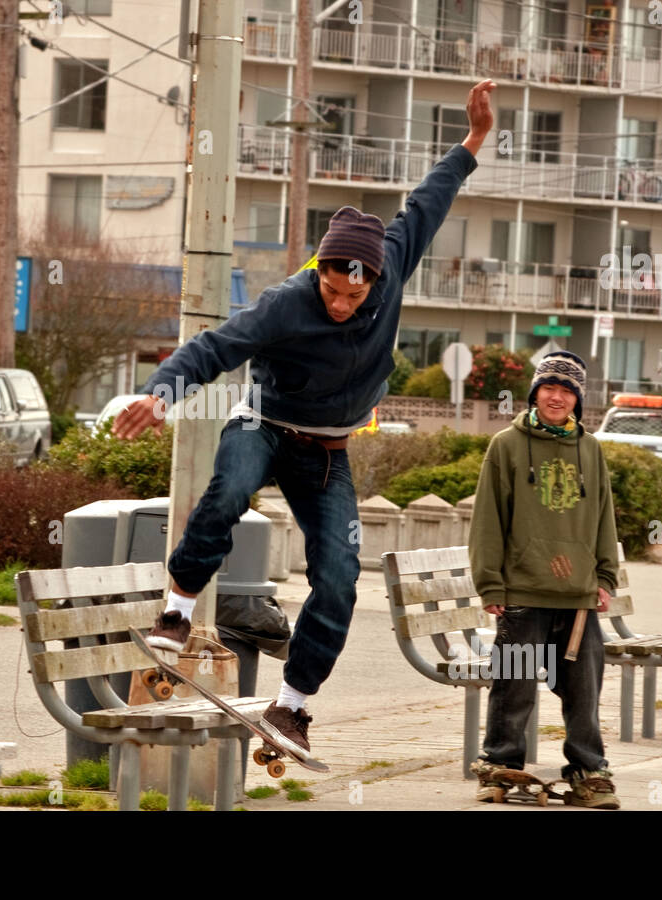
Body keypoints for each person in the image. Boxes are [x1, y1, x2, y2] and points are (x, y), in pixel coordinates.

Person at [112, 80, 497, 756]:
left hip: (326, 454)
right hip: (263, 425)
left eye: (353, 294)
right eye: (330, 288)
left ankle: (291, 709)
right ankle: (175, 610)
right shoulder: (285, 303)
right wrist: (162, 393)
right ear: (317, 271)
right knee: (230, 492)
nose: (340, 303)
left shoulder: (394, 260)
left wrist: (472, 141)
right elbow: (213, 348)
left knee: (342, 576)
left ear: (376, 279)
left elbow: (429, 199)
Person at [467, 349, 621, 809]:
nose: (557, 397)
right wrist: (491, 583)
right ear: (535, 393)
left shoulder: (590, 449)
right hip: (522, 593)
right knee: (513, 687)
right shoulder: (506, 446)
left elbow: (603, 518)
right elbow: (488, 520)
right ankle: (499, 765)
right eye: (549, 388)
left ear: (578, 398)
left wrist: (606, 576)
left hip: (577, 597)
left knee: (583, 689)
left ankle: (589, 772)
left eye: (567, 390)